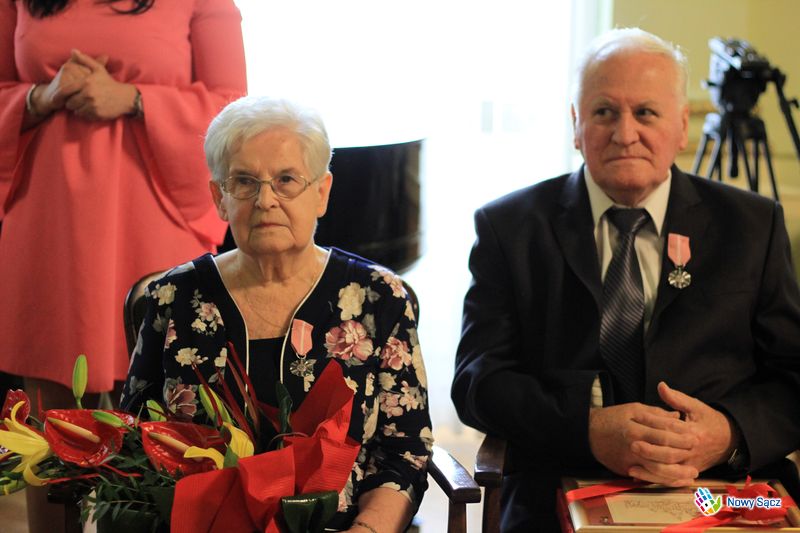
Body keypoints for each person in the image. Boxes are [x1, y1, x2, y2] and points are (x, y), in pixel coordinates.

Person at [452, 27, 800, 532]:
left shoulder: (752, 225)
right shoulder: (510, 228)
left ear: (681, 127)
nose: (625, 133)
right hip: (560, 487)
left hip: (724, 492)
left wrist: (727, 435)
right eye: (604, 112)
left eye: (646, 112)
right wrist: (586, 429)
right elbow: (477, 381)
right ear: (576, 125)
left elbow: (792, 376)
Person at [121, 96, 433, 533]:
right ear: (219, 198)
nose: (265, 200)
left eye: (286, 180)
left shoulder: (379, 298)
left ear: (321, 192)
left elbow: (405, 452)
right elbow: (137, 440)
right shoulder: (173, 296)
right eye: (244, 182)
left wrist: (365, 530)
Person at [0, 2, 245, 530]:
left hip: (154, 224)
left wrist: (134, 98)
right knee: (50, 446)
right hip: (49, 234)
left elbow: (234, 110)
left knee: (168, 433)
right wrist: (40, 96)